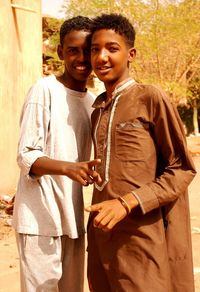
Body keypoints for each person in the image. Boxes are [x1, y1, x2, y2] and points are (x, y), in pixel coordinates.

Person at [85, 13, 196, 292]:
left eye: (112, 48)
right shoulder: (97, 110)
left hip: (144, 237)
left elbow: (182, 168)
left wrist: (126, 202)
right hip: (102, 239)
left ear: (130, 53)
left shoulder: (150, 98)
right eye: (95, 49)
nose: (102, 57)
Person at [12, 16, 101, 292]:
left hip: (73, 218)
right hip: (40, 218)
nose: (82, 58)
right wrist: (69, 168)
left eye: (88, 50)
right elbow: (26, 154)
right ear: (61, 52)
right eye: (73, 50)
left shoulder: (92, 102)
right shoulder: (44, 90)